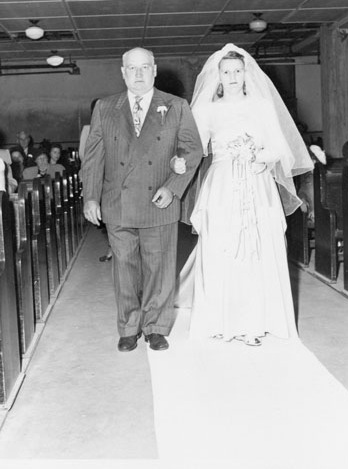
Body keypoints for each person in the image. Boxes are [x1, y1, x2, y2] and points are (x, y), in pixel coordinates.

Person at [173, 43, 313, 346]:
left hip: (256, 182)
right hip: (223, 183)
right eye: (227, 71)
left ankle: (254, 323)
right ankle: (222, 322)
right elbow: (194, 145)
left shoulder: (261, 106)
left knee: (256, 247)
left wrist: (259, 157)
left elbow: (280, 147)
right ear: (218, 76)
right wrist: (180, 158)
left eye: (238, 71)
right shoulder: (208, 108)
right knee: (222, 244)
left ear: (246, 74)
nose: (233, 76)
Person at [81, 47, 203, 352]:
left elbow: (192, 151)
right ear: (123, 72)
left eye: (144, 67)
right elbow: (94, 157)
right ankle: (129, 327)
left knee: (158, 268)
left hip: (158, 201)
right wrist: (90, 197)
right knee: (124, 267)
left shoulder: (176, 106)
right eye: (132, 69)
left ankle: (156, 327)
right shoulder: (106, 108)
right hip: (117, 203)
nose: (138, 74)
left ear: (155, 70)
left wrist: (174, 186)